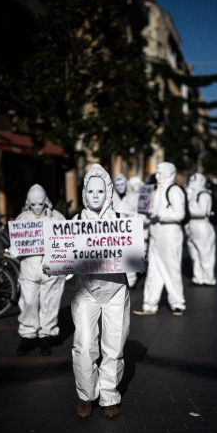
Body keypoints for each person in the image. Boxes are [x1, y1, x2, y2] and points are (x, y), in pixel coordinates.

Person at [65, 164, 146, 419]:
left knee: (114, 346)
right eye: (91, 191)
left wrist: (140, 259)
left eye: (101, 190)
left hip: (115, 291)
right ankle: (86, 396)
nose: (96, 195)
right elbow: (63, 255)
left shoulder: (122, 223)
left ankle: (109, 395)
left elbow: (135, 255)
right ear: (84, 193)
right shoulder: (74, 223)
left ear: (108, 192)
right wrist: (55, 265)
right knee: (84, 345)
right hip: (85, 293)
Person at [16, 184, 66, 357]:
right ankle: (27, 336)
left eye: (40, 204)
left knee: (50, 303)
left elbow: (66, 242)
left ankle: (46, 336)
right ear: (28, 203)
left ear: (46, 201)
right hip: (29, 268)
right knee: (28, 302)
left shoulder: (57, 218)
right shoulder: (21, 219)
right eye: (33, 204)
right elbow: (16, 242)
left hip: (51, 269)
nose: (37, 208)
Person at [133, 162, 186, 317]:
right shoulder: (156, 190)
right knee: (153, 272)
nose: (156, 176)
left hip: (170, 236)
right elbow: (154, 212)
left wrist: (160, 215)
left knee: (172, 269)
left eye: (160, 172)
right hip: (156, 235)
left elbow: (179, 215)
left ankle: (178, 303)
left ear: (169, 173)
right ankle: (149, 304)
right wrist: (148, 213)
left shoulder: (174, 190)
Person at [185, 173, 217, 286]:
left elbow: (202, 212)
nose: (191, 183)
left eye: (194, 181)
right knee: (194, 255)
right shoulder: (193, 194)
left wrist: (186, 208)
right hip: (192, 227)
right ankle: (198, 277)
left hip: (202, 226)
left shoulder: (204, 195)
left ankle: (208, 278)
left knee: (205, 254)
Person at [119, 176, 143, 289]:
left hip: (144, 233)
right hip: (130, 234)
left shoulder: (143, 198)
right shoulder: (125, 201)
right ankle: (130, 282)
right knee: (130, 256)